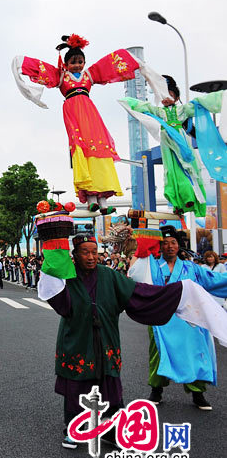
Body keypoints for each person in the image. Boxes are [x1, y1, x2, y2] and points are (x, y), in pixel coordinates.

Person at [37, 232, 227, 448]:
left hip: (106, 338)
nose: (91, 257)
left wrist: (177, 292)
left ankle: (110, 430)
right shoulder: (67, 277)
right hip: (77, 339)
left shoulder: (109, 275)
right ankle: (74, 428)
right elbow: (55, 295)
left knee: (109, 386)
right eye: (84, 253)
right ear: (75, 255)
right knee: (76, 386)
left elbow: (138, 292)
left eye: (94, 252)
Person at [13, 34, 166, 213]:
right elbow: (40, 69)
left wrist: (134, 61)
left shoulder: (90, 75)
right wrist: (20, 62)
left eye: (80, 61)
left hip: (91, 116)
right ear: (66, 63)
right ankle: (91, 197)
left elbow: (111, 64)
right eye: (73, 61)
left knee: (100, 152)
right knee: (81, 151)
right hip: (74, 116)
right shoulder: (61, 76)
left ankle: (103, 201)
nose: (77, 65)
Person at [128, 226, 227, 410]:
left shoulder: (191, 267)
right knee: (159, 354)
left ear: (179, 246)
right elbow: (135, 275)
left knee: (195, 353)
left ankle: (198, 393)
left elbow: (213, 280)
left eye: (173, 243)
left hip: (189, 320)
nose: (170, 247)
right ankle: (156, 390)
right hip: (162, 318)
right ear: (160, 247)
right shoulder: (152, 265)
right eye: (165, 244)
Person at [119, 75, 207, 216]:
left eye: (169, 95)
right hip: (166, 143)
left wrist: (212, 100)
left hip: (180, 141)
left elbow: (197, 105)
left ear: (176, 98)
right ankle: (178, 204)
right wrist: (126, 101)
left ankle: (191, 197)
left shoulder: (182, 110)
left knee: (186, 168)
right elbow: (143, 107)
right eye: (163, 95)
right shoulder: (159, 112)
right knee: (171, 172)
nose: (166, 98)